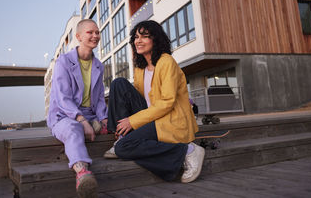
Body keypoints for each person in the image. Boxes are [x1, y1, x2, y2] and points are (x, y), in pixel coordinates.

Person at [104, 20, 205, 183]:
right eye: (136, 37)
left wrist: (132, 121)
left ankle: (189, 151)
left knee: (125, 149)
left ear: (155, 39)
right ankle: (122, 137)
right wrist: (126, 121)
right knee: (118, 83)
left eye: (144, 36)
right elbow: (138, 98)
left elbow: (167, 103)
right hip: (151, 117)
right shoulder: (140, 67)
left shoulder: (166, 62)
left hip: (169, 118)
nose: (138, 40)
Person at [47, 19, 108, 198]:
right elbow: (62, 98)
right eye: (90, 32)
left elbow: (98, 97)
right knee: (74, 129)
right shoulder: (63, 62)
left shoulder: (98, 65)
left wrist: (104, 118)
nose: (95, 36)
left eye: (97, 32)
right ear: (79, 36)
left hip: (90, 115)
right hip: (64, 116)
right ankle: (82, 172)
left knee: (113, 122)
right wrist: (81, 120)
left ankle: (97, 124)